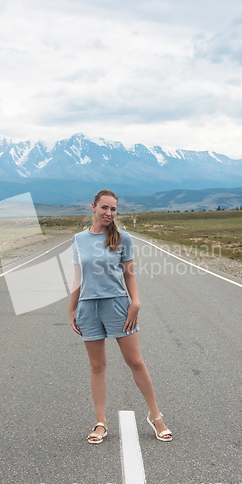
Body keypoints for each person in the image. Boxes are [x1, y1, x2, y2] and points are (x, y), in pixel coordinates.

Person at [69, 189, 172, 444]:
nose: (109, 213)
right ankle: (101, 422)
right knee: (96, 366)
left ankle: (156, 416)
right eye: (104, 207)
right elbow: (78, 278)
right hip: (88, 308)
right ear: (92, 207)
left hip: (117, 305)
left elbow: (130, 275)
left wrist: (135, 302)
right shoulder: (79, 240)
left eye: (113, 209)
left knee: (135, 361)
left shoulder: (123, 238)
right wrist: (71, 309)